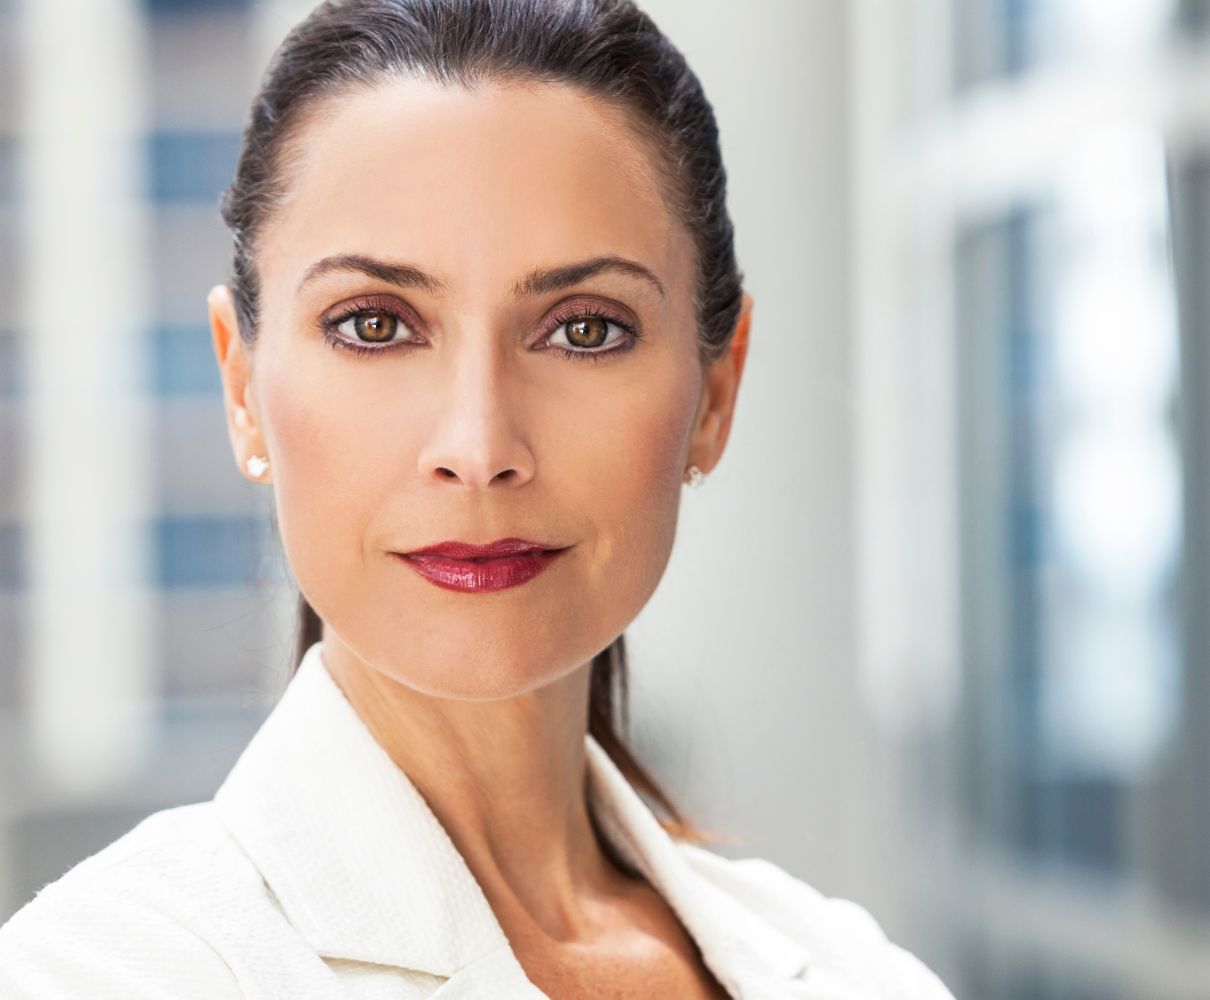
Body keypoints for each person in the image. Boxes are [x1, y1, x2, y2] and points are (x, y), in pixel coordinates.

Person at [0, 1, 958, 996]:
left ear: (715, 391)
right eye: (375, 324)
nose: (479, 446)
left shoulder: (856, 971)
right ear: (242, 386)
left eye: (584, 330)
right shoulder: (106, 970)